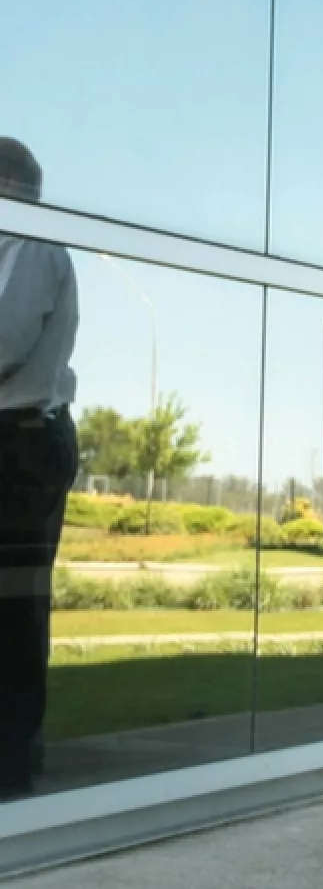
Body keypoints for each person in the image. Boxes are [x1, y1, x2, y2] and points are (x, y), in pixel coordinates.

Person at [0, 137, 80, 801]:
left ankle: (11, 764)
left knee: (13, 609)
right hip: (20, 436)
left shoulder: (32, 248)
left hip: (21, 441)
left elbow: (8, 337)